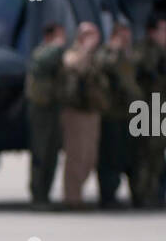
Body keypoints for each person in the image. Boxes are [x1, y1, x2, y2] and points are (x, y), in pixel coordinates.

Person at [130, 17, 166, 208]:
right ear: (152, 32)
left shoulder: (165, 54)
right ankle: (142, 195)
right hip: (148, 110)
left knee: (157, 154)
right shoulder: (143, 50)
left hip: (162, 110)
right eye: (163, 30)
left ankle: (154, 193)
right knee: (146, 154)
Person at [57, 22, 108, 209]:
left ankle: (77, 193)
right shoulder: (72, 54)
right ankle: (71, 198)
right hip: (75, 113)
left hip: (92, 111)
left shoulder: (98, 56)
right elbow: (76, 67)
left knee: (90, 156)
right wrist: (85, 50)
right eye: (87, 35)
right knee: (76, 156)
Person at [95, 21, 140, 209]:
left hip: (132, 114)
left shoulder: (132, 55)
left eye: (127, 36)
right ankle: (108, 196)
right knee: (110, 157)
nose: (125, 40)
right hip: (112, 114)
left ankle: (137, 193)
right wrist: (115, 50)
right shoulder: (106, 53)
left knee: (131, 156)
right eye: (122, 36)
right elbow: (102, 65)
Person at [26, 22, 67, 209]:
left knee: (52, 154)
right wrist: (57, 46)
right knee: (41, 152)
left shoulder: (56, 55)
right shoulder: (41, 52)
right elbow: (42, 63)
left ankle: (46, 195)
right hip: (41, 110)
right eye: (59, 35)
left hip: (53, 109)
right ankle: (38, 195)